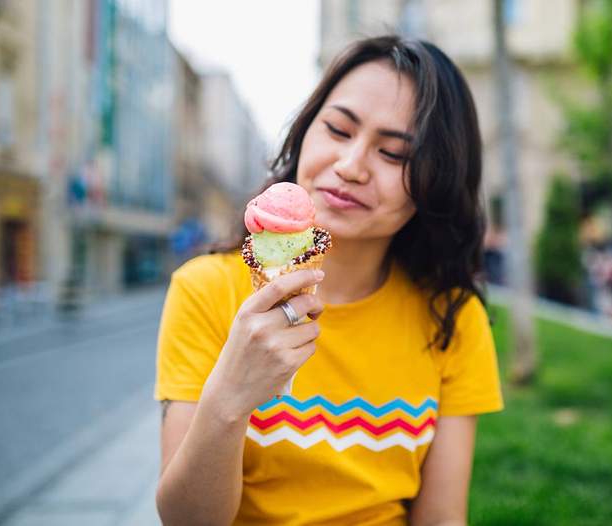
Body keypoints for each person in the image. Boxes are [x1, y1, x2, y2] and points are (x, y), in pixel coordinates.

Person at [154, 35, 503, 525]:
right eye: (338, 130)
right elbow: (187, 520)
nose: (350, 166)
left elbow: (442, 518)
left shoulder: (452, 317)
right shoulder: (207, 289)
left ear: (437, 182)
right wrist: (231, 397)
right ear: (305, 131)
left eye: (395, 155)